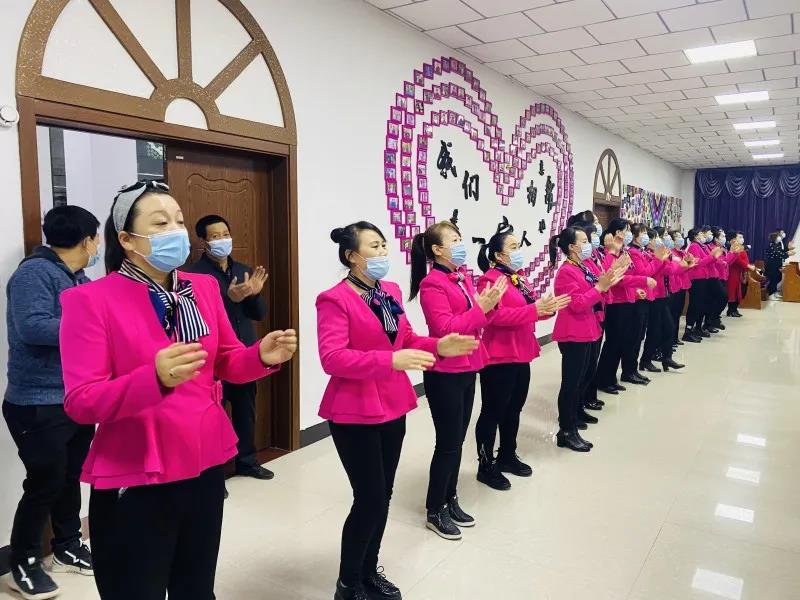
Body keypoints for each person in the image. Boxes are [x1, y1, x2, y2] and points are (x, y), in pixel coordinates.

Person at [58, 181, 297, 600]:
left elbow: (226, 361)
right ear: (128, 240)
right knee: (136, 589)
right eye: (161, 222)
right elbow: (81, 401)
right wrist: (151, 380)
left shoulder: (201, 288)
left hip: (203, 461)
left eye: (180, 221)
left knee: (196, 586)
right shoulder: (89, 300)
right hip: (137, 467)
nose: (177, 230)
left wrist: (261, 355)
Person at [317, 221, 478, 600]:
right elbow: (332, 357)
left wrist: (440, 345)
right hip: (353, 410)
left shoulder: (387, 290)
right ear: (351, 256)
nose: (383, 254)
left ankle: (369, 570)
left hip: (392, 403)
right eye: (374, 247)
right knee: (369, 497)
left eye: (385, 246)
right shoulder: (334, 298)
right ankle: (348, 583)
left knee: (383, 494)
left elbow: (406, 339)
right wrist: (390, 361)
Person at [4, 206, 100, 600]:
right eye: (97, 239)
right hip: (36, 401)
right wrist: (94, 327)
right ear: (87, 239)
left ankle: (66, 545)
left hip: (76, 396)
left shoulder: (78, 276)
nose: (97, 246)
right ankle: (22, 564)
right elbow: (33, 327)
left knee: (69, 475)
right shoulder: (33, 273)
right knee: (44, 483)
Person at [409, 219, 507, 540]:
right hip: (445, 371)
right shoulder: (432, 284)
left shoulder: (463, 277)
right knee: (448, 443)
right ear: (437, 250)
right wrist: (481, 307)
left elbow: (479, 320)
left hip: (467, 365)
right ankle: (435, 509)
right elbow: (445, 328)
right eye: (454, 239)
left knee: (457, 439)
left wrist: (490, 305)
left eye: (460, 237)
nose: (460, 243)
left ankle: (450, 498)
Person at [474, 223, 570, 490]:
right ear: (497, 256)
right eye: (513, 248)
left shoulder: (519, 278)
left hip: (521, 352)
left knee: (514, 408)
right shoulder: (489, 280)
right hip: (498, 355)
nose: (519, 252)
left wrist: (547, 309)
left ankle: (507, 454)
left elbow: (531, 308)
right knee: (493, 410)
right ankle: (485, 465)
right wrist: (534, 310)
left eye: (519, 247)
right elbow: (493, 317)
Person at [186, 215, 273, 484]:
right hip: (210, 359)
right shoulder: (192, 275)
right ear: (203, 242)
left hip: (244, 354)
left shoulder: (244, 270)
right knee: (212, 417)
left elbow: (259, 314)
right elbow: (196, 317)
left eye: (226, 233)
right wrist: (229, 298)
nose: (223, 240)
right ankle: (214, 474)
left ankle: (247, 462)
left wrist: (253, 295)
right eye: (215, 236)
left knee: (246, 411)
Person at [550, 226, 622, 452]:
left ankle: (577, 413)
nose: (588, 243)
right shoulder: (566, 272)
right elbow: (577, 303)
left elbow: (595, 291)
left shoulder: (580, 266)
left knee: (585, 376)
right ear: (572, 247)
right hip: (573, 332)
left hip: (589, 328)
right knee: (571, 383)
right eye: (583, 240)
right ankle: (567, 430)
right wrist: (600, 287)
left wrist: (605, 283)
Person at [594, 219, 654, 394]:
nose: (625, 234)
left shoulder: (624, 251)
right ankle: (604, 379)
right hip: (616, 303)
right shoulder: (608, 253)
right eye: (622, 231)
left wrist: (635, 291)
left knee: (621, 342)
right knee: (613, 343)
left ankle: (611, 377)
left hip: (627, 300)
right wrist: (642, 281)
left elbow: (629, 275)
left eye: (627, 230)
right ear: (612, 234)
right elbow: (615, 278)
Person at [639, 229, 686, 373]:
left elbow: (670, 270)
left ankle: (667, 357)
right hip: (654, 295)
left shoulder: (659, 254)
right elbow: (651, 272)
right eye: (657, 237)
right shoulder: (648, 255)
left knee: (669, 327)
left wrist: (672, 261)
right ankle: (646, 360)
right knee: (654, 330)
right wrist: (661, 259)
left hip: (663, 294)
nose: (660, 240)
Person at [626, 224, 661, 381]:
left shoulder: (642, 251)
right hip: (638, 298)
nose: (646, 236)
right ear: (634, 237)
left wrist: (659, 259)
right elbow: (645, 273)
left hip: (645, 296)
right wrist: (659, 260)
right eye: (643, 234)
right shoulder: (633, 252)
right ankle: (629, 371)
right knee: (634, 337)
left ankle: (633, 369)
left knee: (639, 336)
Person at [684, 227, 723, 341]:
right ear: (696, 236)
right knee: (695, 305)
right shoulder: (694, 246)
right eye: (701, 234)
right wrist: (712, 256)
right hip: (696, 278)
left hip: (703, 278)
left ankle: (697, 328)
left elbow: (707, 260)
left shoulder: (702, 246)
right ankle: (689, 330)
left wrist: (713, 257)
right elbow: (699, 263)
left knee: (701, 305)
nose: (704, 236)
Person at [665, 230, 692, 346]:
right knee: (672, 314)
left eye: (681, 236)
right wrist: (685, 264)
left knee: (678, 313)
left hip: (682, 285)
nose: (681, 239)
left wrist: (689, 263)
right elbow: (675, 269)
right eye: (677, 237)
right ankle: (670, 340)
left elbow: (685, 267)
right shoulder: (671, 253)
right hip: (674, 286)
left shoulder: (681, 252)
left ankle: (675, 338)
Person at [726, 231, 752, 317]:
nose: (742, 239)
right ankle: (731, 310)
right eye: (739, 237)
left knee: (739, 291)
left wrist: (747, 266)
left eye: (742, 237)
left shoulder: (740, 247)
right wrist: (747, 265)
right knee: (733, 291)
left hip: (741, 272)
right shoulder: (734, 247)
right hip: (734, 272)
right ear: (734, 239)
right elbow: (737, 260)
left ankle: (735, 309)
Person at [765, 231, 794, 298]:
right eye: (778, 236)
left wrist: (788, 248)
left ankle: (772, 292)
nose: (779, 237)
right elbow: (778, 253)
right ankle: (771, 293)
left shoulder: (777, 245)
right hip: (772, 265)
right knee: (774, 279)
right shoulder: (772, 245)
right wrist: (788, 254)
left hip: (777, 264)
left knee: (778, 278)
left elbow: (781, 251)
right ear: (774, 238)